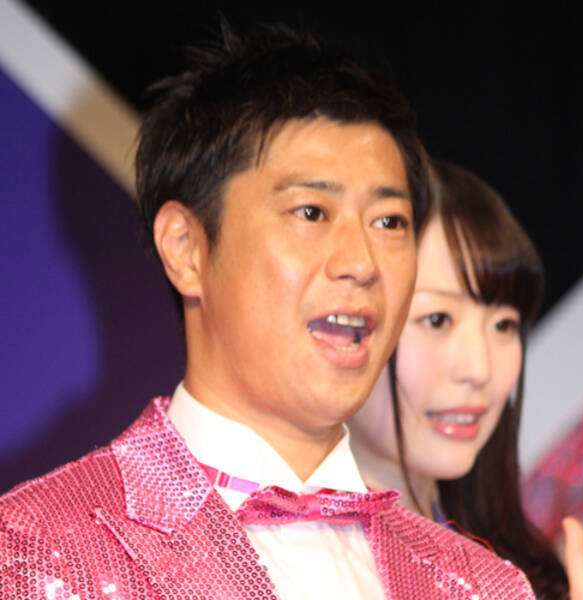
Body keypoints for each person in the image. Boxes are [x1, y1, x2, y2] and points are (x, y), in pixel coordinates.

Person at [0, 25, 535, 599]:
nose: (362, 262)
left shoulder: (484, 585)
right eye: (311, 212)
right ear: (186, 247)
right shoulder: (36, 549)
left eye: (389, 222)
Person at [349, 160, 583, 598]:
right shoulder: (276, 559)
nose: (479, 370)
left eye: (503, 325)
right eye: (437, 319)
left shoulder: (519, 574)